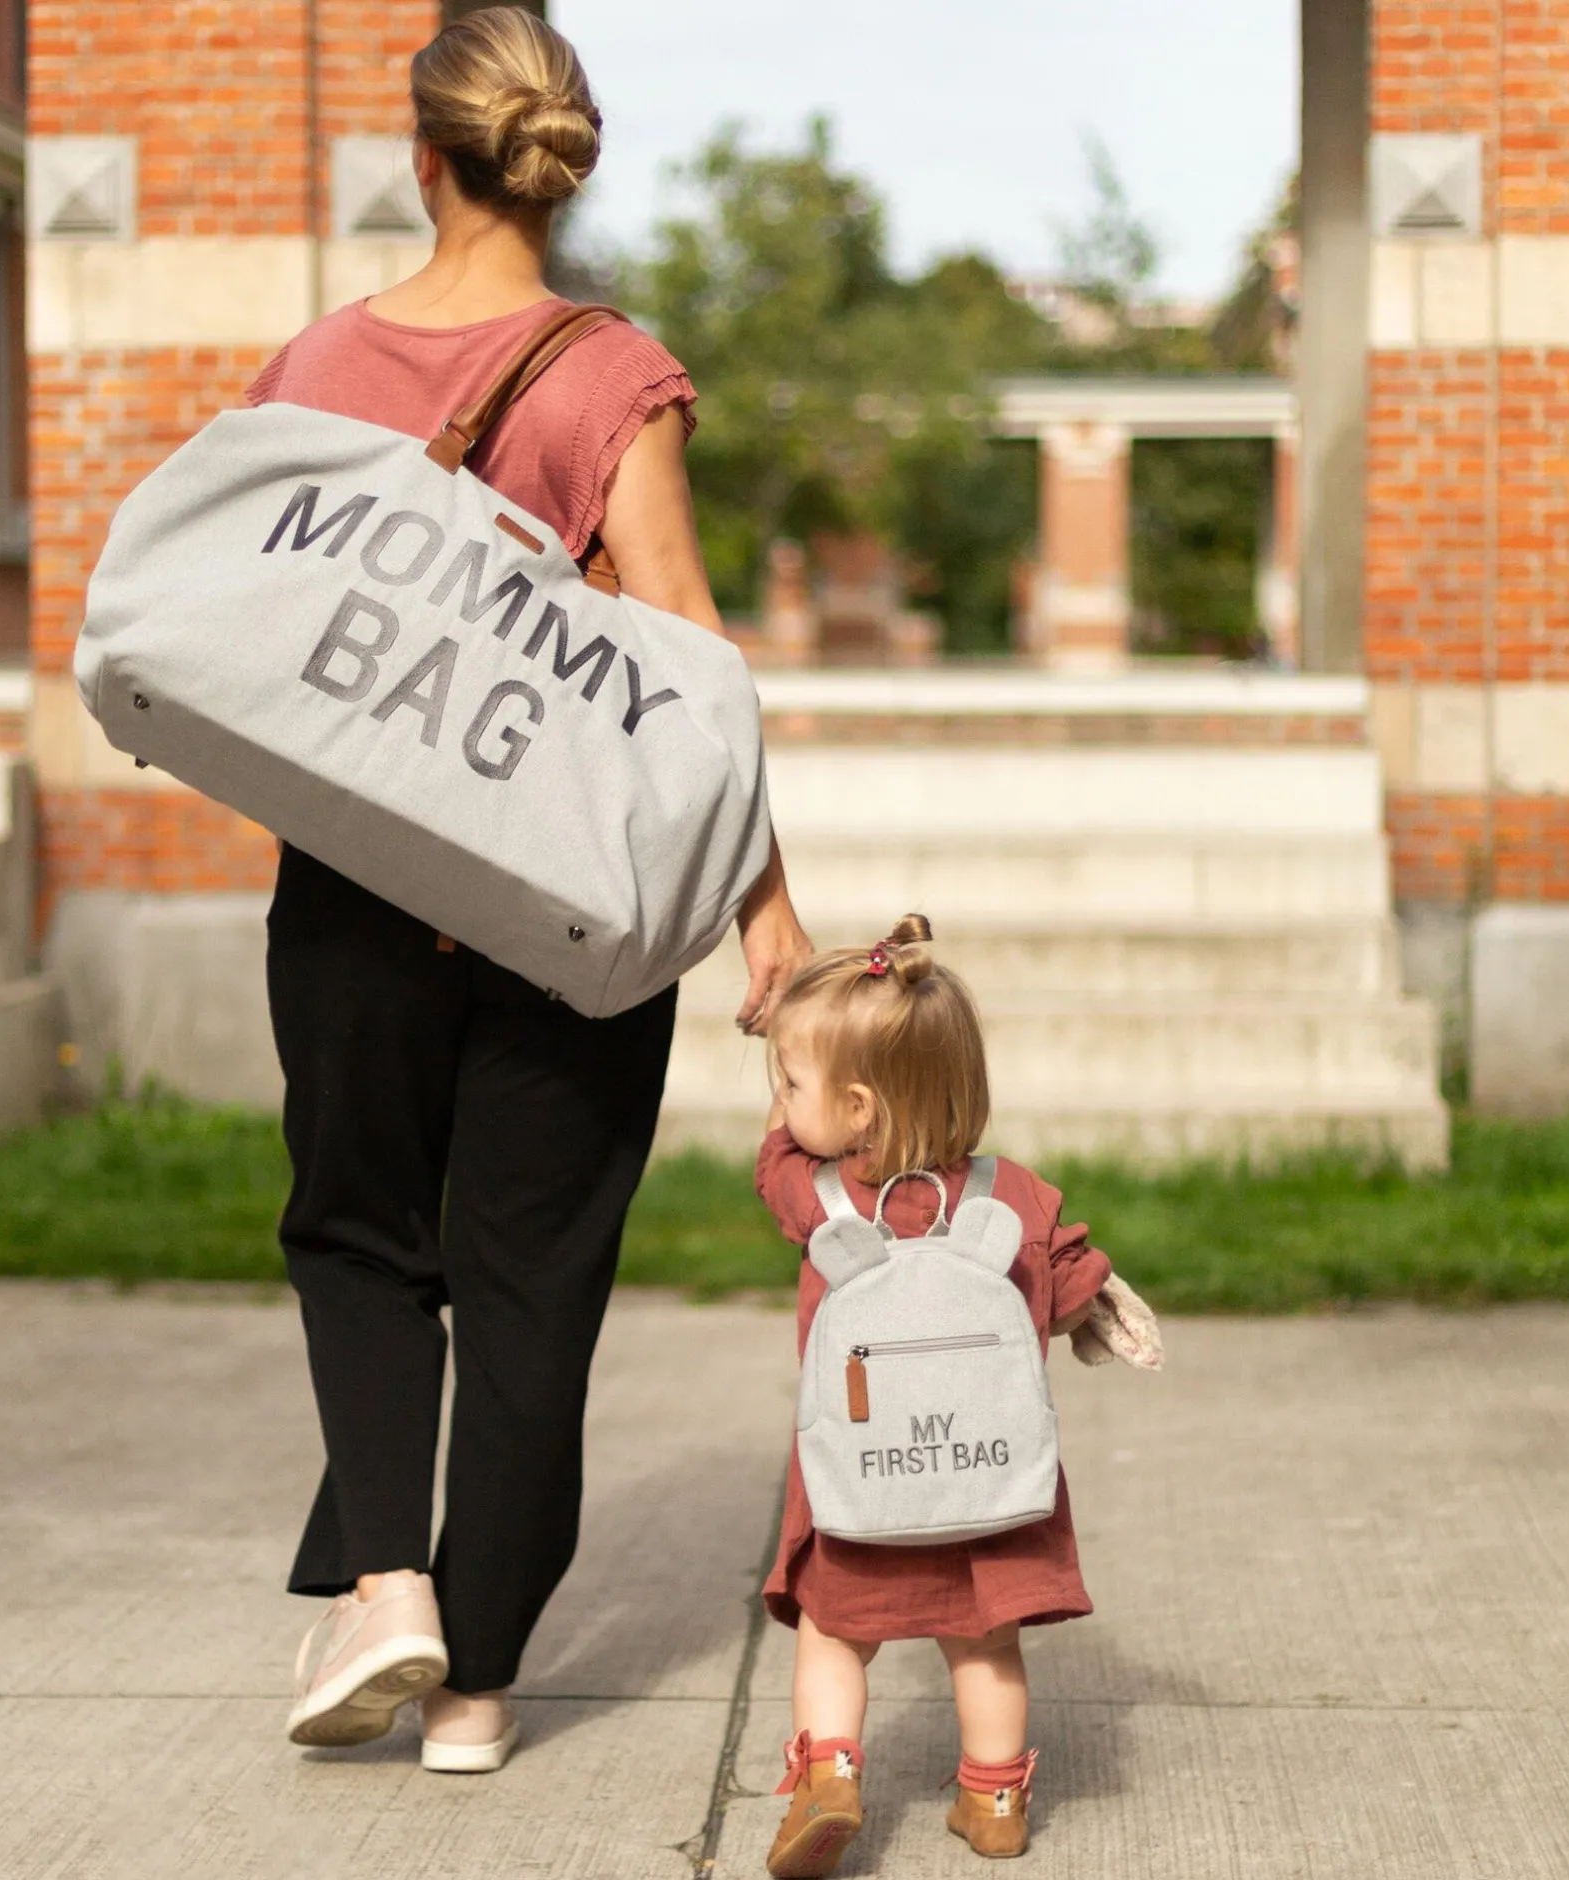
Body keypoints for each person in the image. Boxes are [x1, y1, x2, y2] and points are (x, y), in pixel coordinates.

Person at [246, 11, 811, 1772]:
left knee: (357, 1236)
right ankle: (477, 1688)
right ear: (561, 166)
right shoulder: (606, 376)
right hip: (569, 910)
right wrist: (764, 910)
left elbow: (263, 639)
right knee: (528, 1285)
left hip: (354, 889)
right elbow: (689, 663)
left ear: (425, 155)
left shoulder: (312, 370)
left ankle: (390, 1587)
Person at [755, 916, 1114, 1871]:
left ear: (858, 1109)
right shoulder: (1014, 1196)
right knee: (986, 1644)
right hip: (985, 1485)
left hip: (864, 1482)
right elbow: (1073, 1282)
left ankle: (828, 1776)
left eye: (792, 1086)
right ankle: (993, 1802)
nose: (781, 1105)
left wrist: (792, 1099)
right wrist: (1095, 1310)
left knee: (834, 1633)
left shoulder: (820, 1198)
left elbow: (776, 1164)